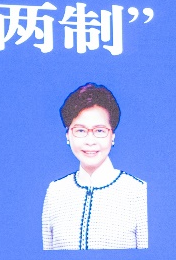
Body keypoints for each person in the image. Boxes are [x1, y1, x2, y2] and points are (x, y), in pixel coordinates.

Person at [42, 83, 147, 250]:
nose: (90, 141)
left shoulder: (138, 192)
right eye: (80, 130)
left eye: (99, 131)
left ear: (112, 135)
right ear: (68, 135)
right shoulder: (55, 192)